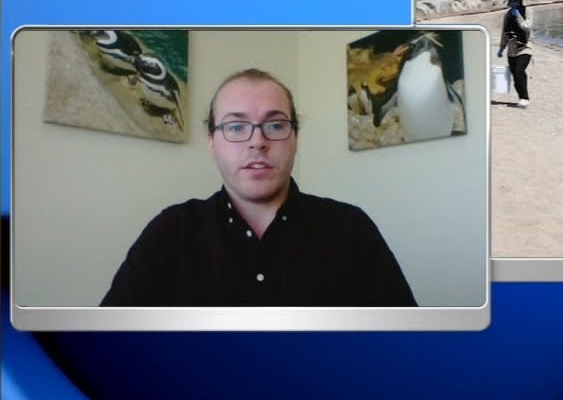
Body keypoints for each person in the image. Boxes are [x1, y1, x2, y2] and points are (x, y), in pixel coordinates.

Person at [101, 69, 417, 306]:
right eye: (236, 126)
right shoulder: (171, 233)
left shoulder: (350, 229)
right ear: (212, 142)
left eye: (275, 125)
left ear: (295, 138)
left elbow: (406, 344)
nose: (257, 141)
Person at [497, 0, 532, 108]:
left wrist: (518, 15)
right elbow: (505, 33)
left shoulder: (527, 11)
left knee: (519, 71)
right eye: (511, 4)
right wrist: (502, 48)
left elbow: (527, 28)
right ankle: (521, 97)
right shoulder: (507, 15)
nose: (513, 6)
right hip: (512, 49)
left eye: (515, 4)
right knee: (516, 75)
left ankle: (525, 98)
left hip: (525, 47)